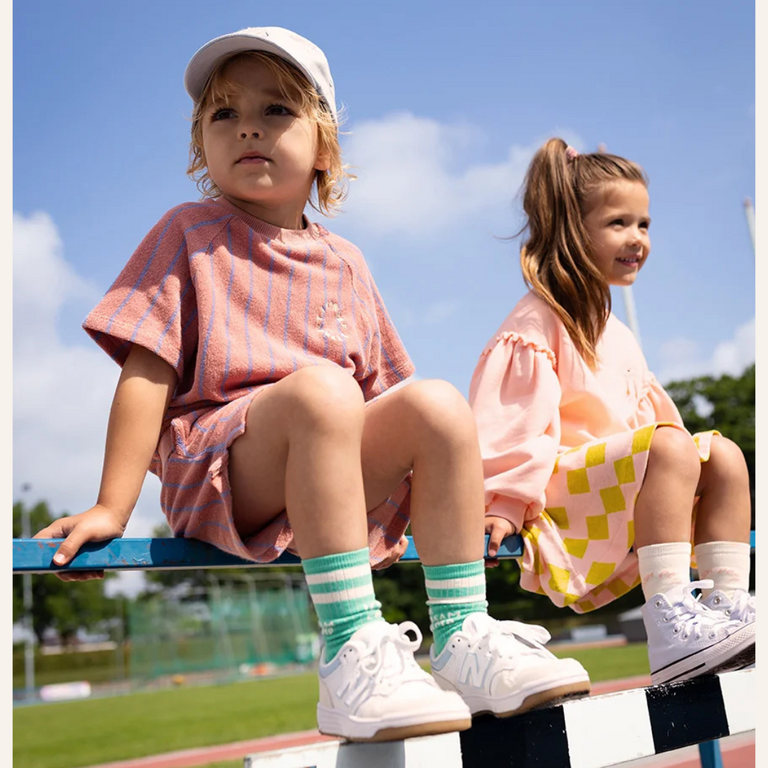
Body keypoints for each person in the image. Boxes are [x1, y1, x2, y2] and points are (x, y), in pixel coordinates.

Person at [33, 30, 590, 741]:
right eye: (224, 115)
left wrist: (480, 510)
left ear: (324, 146)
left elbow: (398, 407)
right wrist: (113, 505)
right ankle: (352, 647)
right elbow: (147, 370)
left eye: (277, 110)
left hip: (327, 469)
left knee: (440, 403)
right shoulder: (187, 233)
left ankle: (461, 632)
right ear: (201, 145)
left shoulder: (346, 262)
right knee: (325, 390)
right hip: (220, 467)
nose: (250, 127)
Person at [469, 138, 755, 687]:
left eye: (644, 224)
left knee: (724, 453)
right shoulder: (538, 321)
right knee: (672, 443)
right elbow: (510, 420)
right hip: (559, 492)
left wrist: (686, 471)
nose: (638, 239)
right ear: (573, 230)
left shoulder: (615, 332)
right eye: (619, 222)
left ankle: (726, 605)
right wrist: (501, 501)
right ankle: (670, 619)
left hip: (617, 484)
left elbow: (653, 419)